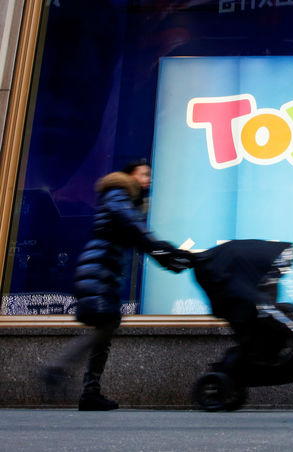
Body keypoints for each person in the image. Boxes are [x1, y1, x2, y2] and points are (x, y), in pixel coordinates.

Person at [41, 160, 189, 411]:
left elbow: (140, 241)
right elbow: (135, 228)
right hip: (99, 271)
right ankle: (58, 368)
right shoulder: (118, 195)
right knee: (106, 325)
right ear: (131, 175)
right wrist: (165, 249)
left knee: (106, 328)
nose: (148, 180)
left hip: (102, 271)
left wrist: (170, 260)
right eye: (144, 174)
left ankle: (89, 392)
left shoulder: (125, 202)